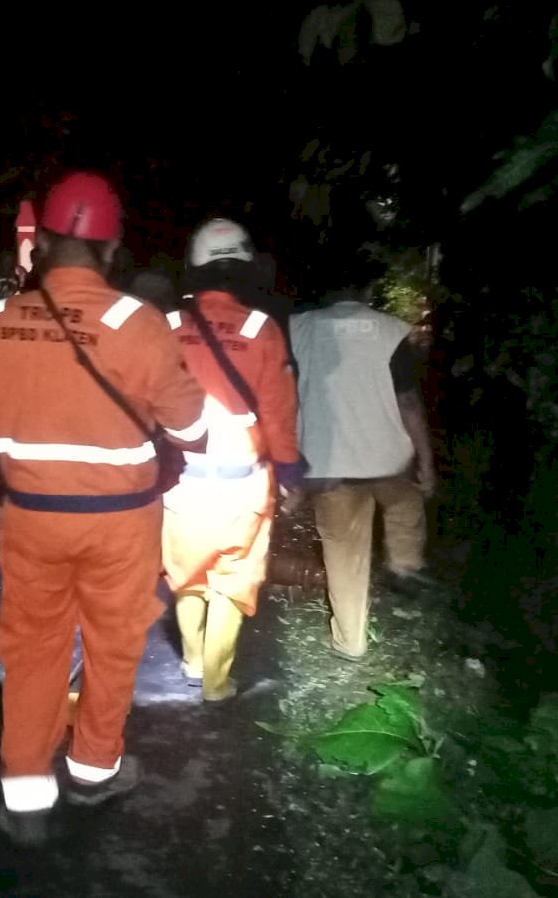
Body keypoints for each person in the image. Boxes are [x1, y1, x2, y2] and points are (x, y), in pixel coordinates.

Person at [0, 171, 208, 845]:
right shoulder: (139, 324)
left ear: (43, 243)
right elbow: (192, 430)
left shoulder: (0, 323)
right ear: (111, 244)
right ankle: (94, 770)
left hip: (31, 518)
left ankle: (25, 793)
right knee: (111, 646)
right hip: (120, 525)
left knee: (33, 650)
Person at [161, 218, 302, 701]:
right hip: (242, 485)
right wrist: (289, 471)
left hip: (181, 483)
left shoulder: (170, 327)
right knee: (230, 581)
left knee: (186, 577)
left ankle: (193, 662)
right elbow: (280, 414)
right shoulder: (263, 330)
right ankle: (218, 685)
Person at [288, 259, 436, 660]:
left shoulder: (298, 329)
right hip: (388, 460)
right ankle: (405, 565)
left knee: (343, 555)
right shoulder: (390, 332)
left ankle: (350, 643)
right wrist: (426, 459)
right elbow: (408, 403)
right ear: (367, 291)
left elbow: (283, 393)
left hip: (330, 465)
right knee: (406, 505)